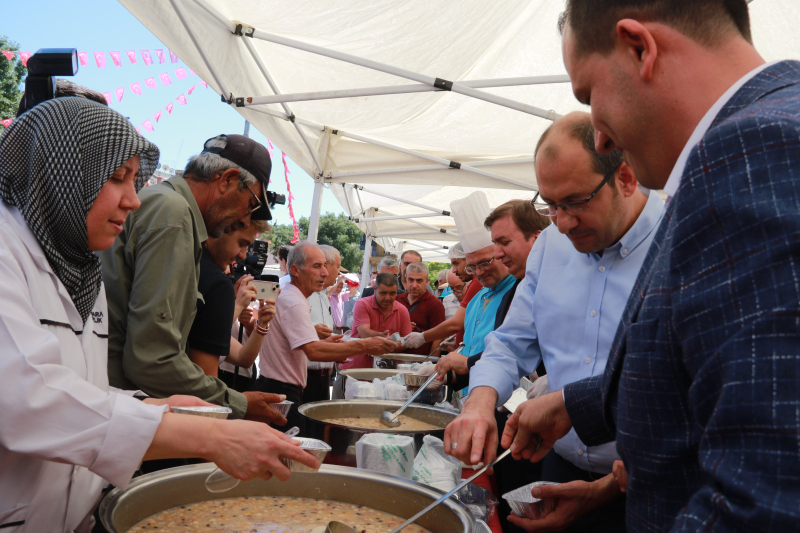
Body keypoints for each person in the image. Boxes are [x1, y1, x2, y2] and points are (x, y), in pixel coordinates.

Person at [502, 2, 800, 531]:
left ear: (640, 47)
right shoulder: (755, 142)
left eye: (590, 96)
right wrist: (579, 404)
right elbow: (711, 370)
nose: (600, 139)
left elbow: (768, 495)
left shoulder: (755, 151)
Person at [0, 98, 318, 533]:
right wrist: (210, 434)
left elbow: (84, 385)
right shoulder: (6, 252)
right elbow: (27, 400)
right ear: (62, 175)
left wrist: (155, 407)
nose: (134, 200)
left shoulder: (79, 262)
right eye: (117, 178)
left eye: (135, 180)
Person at [446, 112, 664, 533]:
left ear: (626, 178)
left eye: (575, 203)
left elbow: (670, 378)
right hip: (558, 466)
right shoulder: (550, 245)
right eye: (551, 206)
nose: (562, 223)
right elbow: (510, 342)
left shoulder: (678, 242)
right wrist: (478, 403)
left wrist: (566, 405)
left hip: (648, 483)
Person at [100, 134, 285, 425]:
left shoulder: (165, 203)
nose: (243, 218)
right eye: (249, 204)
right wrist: (235, 402)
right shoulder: (174, 214)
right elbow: (152, 360)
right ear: (227, 180)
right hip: (120, 411)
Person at [256, 242, 398, 428]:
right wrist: (366, 345)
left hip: (288, 388)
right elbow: (313, 351)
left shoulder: (298, 296)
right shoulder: (294, 300)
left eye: (325, 265)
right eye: (317, 266)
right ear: (295, 270)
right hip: (281, 390)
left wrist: (336, 346)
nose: (325, 272)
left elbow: (305, 344)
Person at [187, 220, 272, 389]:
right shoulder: (207, 281)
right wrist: (237, 305)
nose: (242, 256)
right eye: (241, 244)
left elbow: (244, 358)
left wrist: (262, 323)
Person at [332, 273, 413, 398]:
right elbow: (364, 332)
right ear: (374, 289)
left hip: (385, 379)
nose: (388, 297)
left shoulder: (402, 310)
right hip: (355, 373)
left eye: (392, 293)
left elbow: (407, 340)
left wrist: (388, 345)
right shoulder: (362, 304)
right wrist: (383, 338)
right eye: (383, 293)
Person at [402, 243, 483, 351]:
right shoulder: (475, 284)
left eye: (456, 263)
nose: (453, 270)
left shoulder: (477, 283)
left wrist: (422, 337)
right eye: (411, 280)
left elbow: (455, 324)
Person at [303, 244, 341, 404]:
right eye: (337, 266)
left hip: (323, 377)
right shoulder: (300, 295)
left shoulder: (324, 295)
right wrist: (312, 331)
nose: (338, 272)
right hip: (304, 377)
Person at [396, 262, 446, 356]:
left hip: (418, 363)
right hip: (392, 358)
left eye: (419, 281)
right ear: (405, 279)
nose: (414, 285)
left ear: (427, 281)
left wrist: (430, 362)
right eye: (411, 280)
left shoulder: (435, 305)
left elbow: (438, 337)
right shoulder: (396, 300)